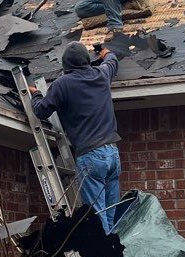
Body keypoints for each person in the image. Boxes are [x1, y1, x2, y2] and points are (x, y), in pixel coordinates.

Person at [31, 42, 121, 232]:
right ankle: (111, 250)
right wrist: (106, 53)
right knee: (111, 216)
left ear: (65, 65)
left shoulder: (62, 84)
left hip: (91, 156)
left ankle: (101, 252)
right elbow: (112, 62)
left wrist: (37, 95)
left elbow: (41, 111)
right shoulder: (101, 74)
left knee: (96, 218)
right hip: (112, 154)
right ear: (87, 61)